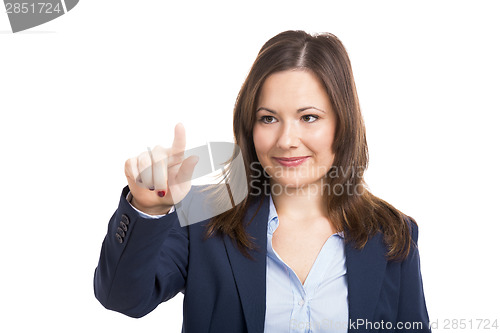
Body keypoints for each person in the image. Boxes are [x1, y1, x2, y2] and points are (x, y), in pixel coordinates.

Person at [94, 30, 431, 333]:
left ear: (342, 124)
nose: (286, 139)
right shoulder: (204, 218)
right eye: (268, 118)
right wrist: (147, 209)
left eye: (308, 117)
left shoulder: (392, 234)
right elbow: (123, 299)